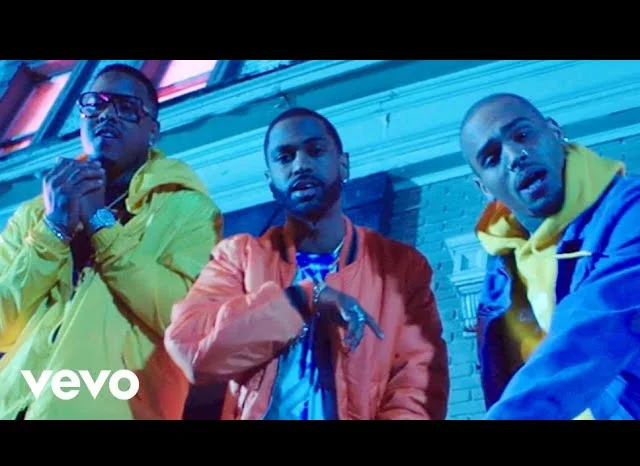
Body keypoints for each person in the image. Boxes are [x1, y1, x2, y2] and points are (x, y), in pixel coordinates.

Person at [164, 107, 449, 420]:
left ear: (343, 164)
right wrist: (301, 300)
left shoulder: (400, 266)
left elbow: (417, 385)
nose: (300, 165)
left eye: (315, 151)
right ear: (270, 179)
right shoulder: (239, 257)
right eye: (285, 157)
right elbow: (191, 349)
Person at [0, 63, 222, 420]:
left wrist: (101, 224)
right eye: (96, 104)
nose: (107, 115)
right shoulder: (37, 212)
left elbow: (185, 321)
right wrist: (52, 230)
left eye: (126, 107)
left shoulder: (189, 209)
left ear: (153, 130)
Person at [459, 92, 640, 420]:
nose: (515, 156)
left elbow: (594, 329)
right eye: (492, 157)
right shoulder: (501, 268)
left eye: (522, 134)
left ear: (555, 132)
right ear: (484, 188)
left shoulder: (630, 209)